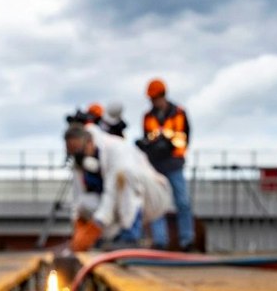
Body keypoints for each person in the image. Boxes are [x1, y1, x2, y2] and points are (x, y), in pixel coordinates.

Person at [64, 123, 174, 248]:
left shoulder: (115, 148)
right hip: (120, 200)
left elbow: (111, 191)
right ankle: (110, 239)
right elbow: (78, 198)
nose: (79, 157)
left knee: (123, 175)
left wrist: (96, 225)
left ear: (89, 142)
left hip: (153, 194)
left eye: (79, 151)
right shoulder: (81, 162)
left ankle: (130, 237)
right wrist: (78, 224)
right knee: (85, 203)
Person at [140, 80, 194, 250]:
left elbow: (184, 137)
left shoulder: (179, 113)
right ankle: (160, 241)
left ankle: (187, 240)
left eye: (155, 98)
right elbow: (147, 138)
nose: (153, 102)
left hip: (174, 163)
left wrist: (168, 143)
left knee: (183, 202)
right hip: (156, 165)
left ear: (162, 95)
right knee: (157, 202)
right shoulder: (148, 117)